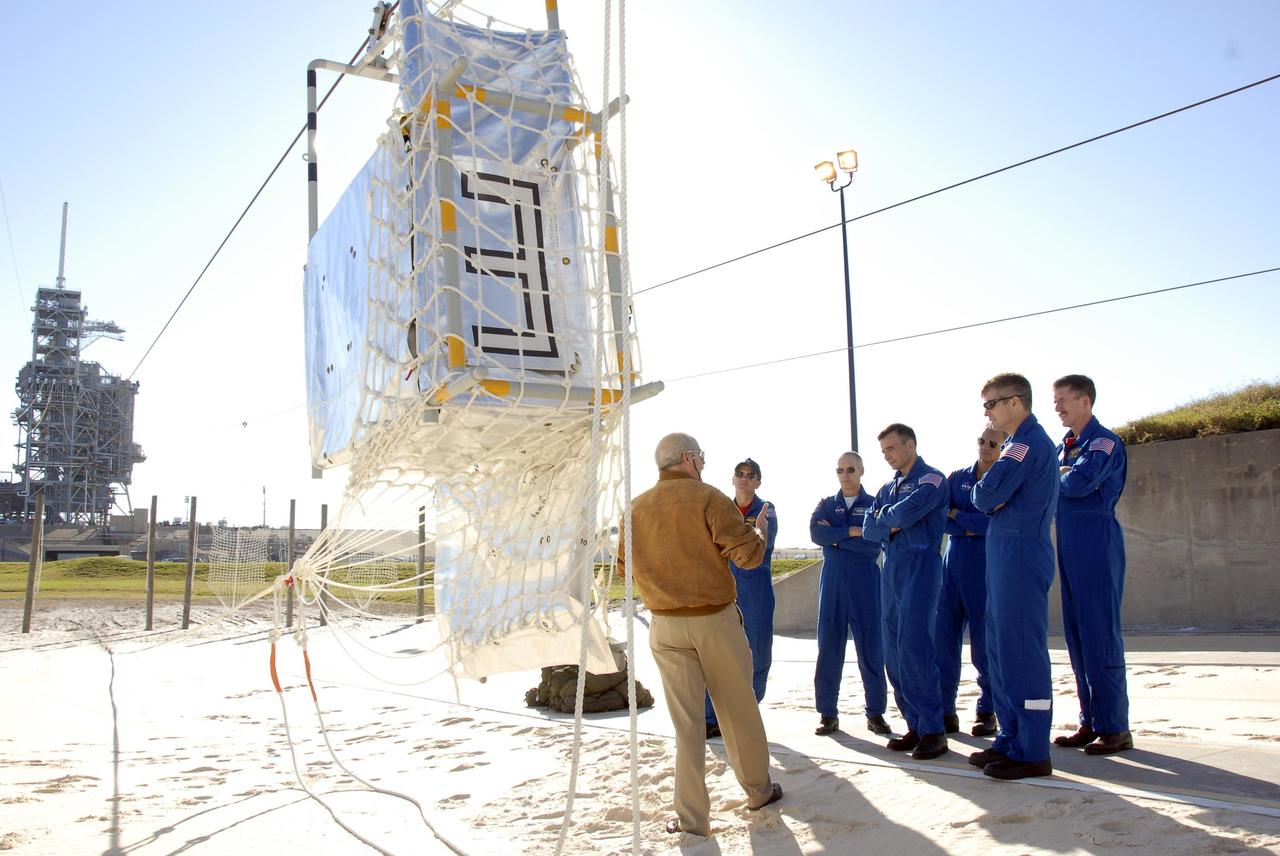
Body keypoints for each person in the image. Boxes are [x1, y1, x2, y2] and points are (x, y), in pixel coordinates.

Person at [617, 433, 782, 837]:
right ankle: (758, 791)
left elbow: (624, 569)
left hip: (664, 625)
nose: (704, 463)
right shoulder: (708, 498)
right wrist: (756, 532)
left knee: (686, 724)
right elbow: (748, 556)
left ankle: (692, 819)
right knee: (737, 708)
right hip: (714, 620)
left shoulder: (634, 509)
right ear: (688, 459)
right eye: (701, 457)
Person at [968, 373, 1059, 780]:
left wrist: (989, 492)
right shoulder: (1015, 445)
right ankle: (1011, 736)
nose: (986, 412)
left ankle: (1033, 749)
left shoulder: (1024, 445)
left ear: (1016, 403)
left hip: (1021, 554)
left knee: (1022, 651)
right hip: (1006, 554)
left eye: (991, 403)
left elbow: (983, 495)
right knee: (1002, 650)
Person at [1051, 374, 1133, 755]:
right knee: (1077, 637)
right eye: (1056, 400)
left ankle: (1115, 727)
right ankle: (1091, 721)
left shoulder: (1103, 441)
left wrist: (1059, 476)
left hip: (1096, 540)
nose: (1057, 406)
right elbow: (1053, 480)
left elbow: (1078, 483)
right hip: (1067, 541)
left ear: (1086, 401)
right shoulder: (1064, 445)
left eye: (1064, 399)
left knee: (1100, 633)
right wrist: (1060, 475)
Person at [862, 424, 949, 760]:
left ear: (910, 444)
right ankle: (913, 723)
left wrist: (890, 519)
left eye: (892, 449)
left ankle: (932, 730)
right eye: (883, 451)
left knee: (915, 649)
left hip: (921, 568)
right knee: (894, 653)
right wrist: (890, 520)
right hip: (892, 570)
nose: (887, 456)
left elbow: (908, 512)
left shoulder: (932, 480)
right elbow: (871, 530)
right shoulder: (887, 488)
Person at [809, 451, 892, 737]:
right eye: (840, 470)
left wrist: (838, 537)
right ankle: (828, 713)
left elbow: (873, 543)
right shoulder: (826, 505)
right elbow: (817, 536)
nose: (846, 475)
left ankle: (876, 713)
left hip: (864, 580)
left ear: (861, 471)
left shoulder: (874, 505)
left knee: (871, 648)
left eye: (851, 469)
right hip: (832, 580)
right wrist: (853, 532)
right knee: (829, 648)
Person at [935, 427, 1004, 738]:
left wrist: (960, 518)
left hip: (983, 567)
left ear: (1003, 447)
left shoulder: (1003, 478)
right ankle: (946, 710)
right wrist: (966, 522)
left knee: (983, 645)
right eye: (982, 441)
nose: (986, 447)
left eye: (993, 443)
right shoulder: (957, 477)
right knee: (944, 640)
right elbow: (942, 518)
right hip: (953, 566)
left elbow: (994, 524)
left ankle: (987, 709)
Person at [704, 458, 777, 739]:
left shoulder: (767, 511)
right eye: (740, 474)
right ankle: (711, 718)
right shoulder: (720, 509)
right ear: (733, 479)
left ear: (758, 482)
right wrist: (747, 537)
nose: (745, 478)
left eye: (751, 475)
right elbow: (715, 545)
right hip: (722, 588)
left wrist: (738, 541)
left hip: (755, 589)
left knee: (757, 654)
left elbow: (763, 544)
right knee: (717, 657)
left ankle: (748, 713)